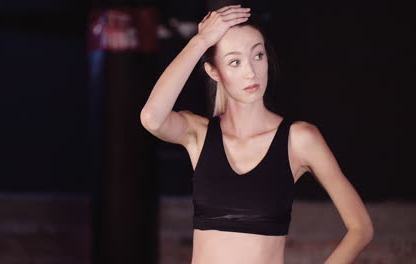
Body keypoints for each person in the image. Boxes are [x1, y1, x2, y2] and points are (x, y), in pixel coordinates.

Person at [140, 4, 373, 264]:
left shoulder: (299, 139)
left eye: (258, 55)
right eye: (235, 62)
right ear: (214, 71)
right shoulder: (200, 134)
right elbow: (152, 118)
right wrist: (201, 41)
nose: (251, 71)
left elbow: (361, 228)